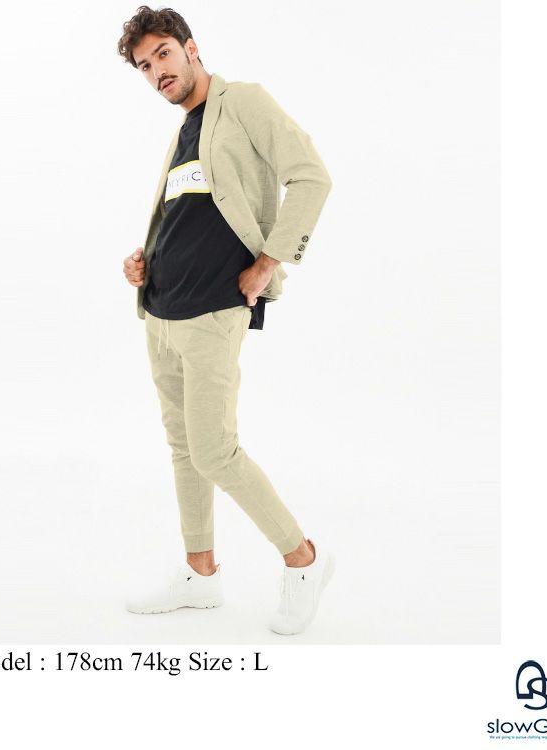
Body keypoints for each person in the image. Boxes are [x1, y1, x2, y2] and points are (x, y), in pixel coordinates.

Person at [118, 6, 333, 635]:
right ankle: (200, 573)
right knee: (185, 449)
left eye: (162, 54)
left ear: (190, 48)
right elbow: (187, 216)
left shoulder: (243, 103)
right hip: (161, 309)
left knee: (215, 450)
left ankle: (303, 559)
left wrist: (269, 262)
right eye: (144, 66)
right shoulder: (184, 131)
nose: (156, 71)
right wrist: (143, 259)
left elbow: (311, 177)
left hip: (213, 309)